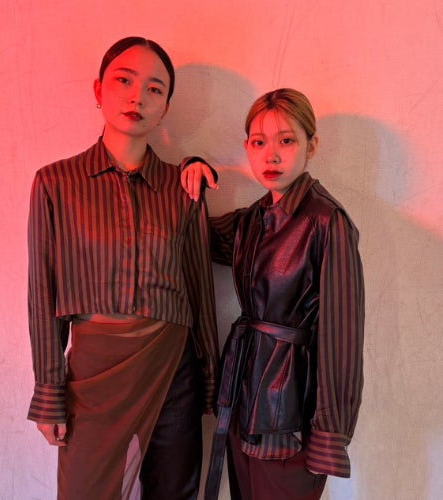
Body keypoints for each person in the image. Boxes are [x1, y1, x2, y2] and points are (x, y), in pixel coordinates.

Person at [27, 36, 219, 500]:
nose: (138, 97)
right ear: (98, 90)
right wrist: (49, 392)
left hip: (173, 369)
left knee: (173, 491)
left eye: (154, 89)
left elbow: (200, 288)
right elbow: (42, 294)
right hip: (93, 373)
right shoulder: (55, 183)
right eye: (124, 81)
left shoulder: (184, 187)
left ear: (165, 107)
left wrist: (211, 379)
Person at [181, 88, 365, 500]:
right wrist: (192, 169)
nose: (272, 155)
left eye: (286, 141)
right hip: (242, 395)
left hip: (292, 414)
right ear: (247, 147)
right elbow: (192, 236)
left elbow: (342, 339)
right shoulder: (253, 220)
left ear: (311, 146)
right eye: (259, 142)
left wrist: (329, 435)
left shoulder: (327, 221)